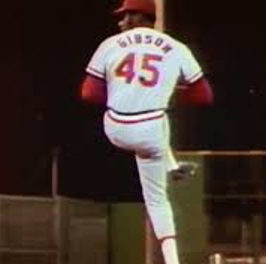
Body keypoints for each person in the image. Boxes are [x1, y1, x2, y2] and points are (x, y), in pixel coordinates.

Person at [80, 0, 213, 263]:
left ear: (139, 17)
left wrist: (120, 90)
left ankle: (171, 164)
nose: (121, 22)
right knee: (157, 199)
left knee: (154, 116)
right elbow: (204, 95)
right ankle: (172, 259)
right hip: (152, 133)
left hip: (116, 127)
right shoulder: (177, 48)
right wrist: (171, 92)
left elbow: (88, 93)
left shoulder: (109, 45)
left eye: (125, 16)